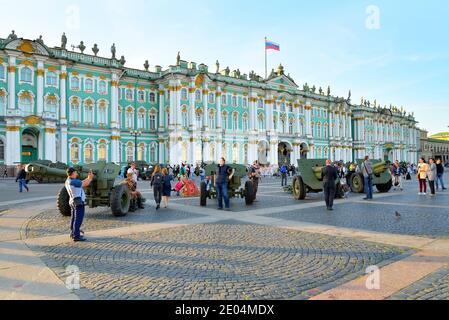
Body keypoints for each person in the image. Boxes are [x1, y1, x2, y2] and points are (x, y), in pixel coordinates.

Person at [65, 167, 94, 242]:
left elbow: (81, 182)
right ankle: (76, 236)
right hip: (78, 202)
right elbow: (85, 183)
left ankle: (73, 232)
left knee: (74, 218)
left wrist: (88, 177)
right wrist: (90, 178)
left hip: (72, 201)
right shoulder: (74, 182)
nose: (77, 174)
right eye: (76, 172)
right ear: (73, 173)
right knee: (78, 219)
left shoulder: (68, 181)